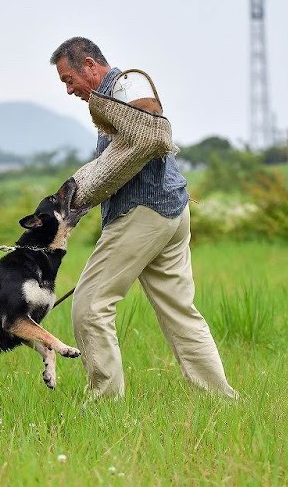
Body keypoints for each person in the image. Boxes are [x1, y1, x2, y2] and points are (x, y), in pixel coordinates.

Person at [49, 36, 238, 400]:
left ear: (89, 64)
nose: (69, 90)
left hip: (143, 214)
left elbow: (150, 131)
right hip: (171, 211)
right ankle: (221, 399)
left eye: (69, 79)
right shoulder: (108, 106)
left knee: (89, 307)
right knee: (180, 312)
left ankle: (105, 401)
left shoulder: (127, 84)